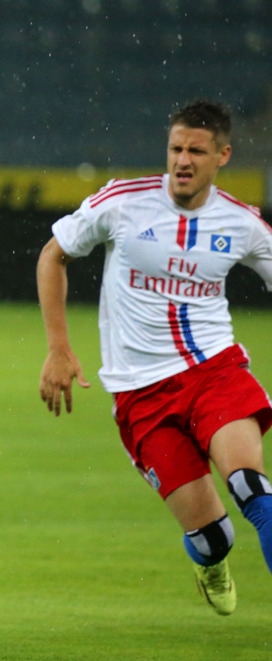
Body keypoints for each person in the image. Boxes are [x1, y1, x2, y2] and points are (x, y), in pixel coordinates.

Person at [37, 99, 272, 616]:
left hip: (215, 371)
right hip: (141, 393)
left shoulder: (242, 223)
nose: (183, 160)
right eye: (176, 148)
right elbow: (53, 254)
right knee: (215, 536)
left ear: (223, 156)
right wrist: (59, 347)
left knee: (251, 487)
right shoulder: (123, 202)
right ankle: (209, 560)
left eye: (196, 151)